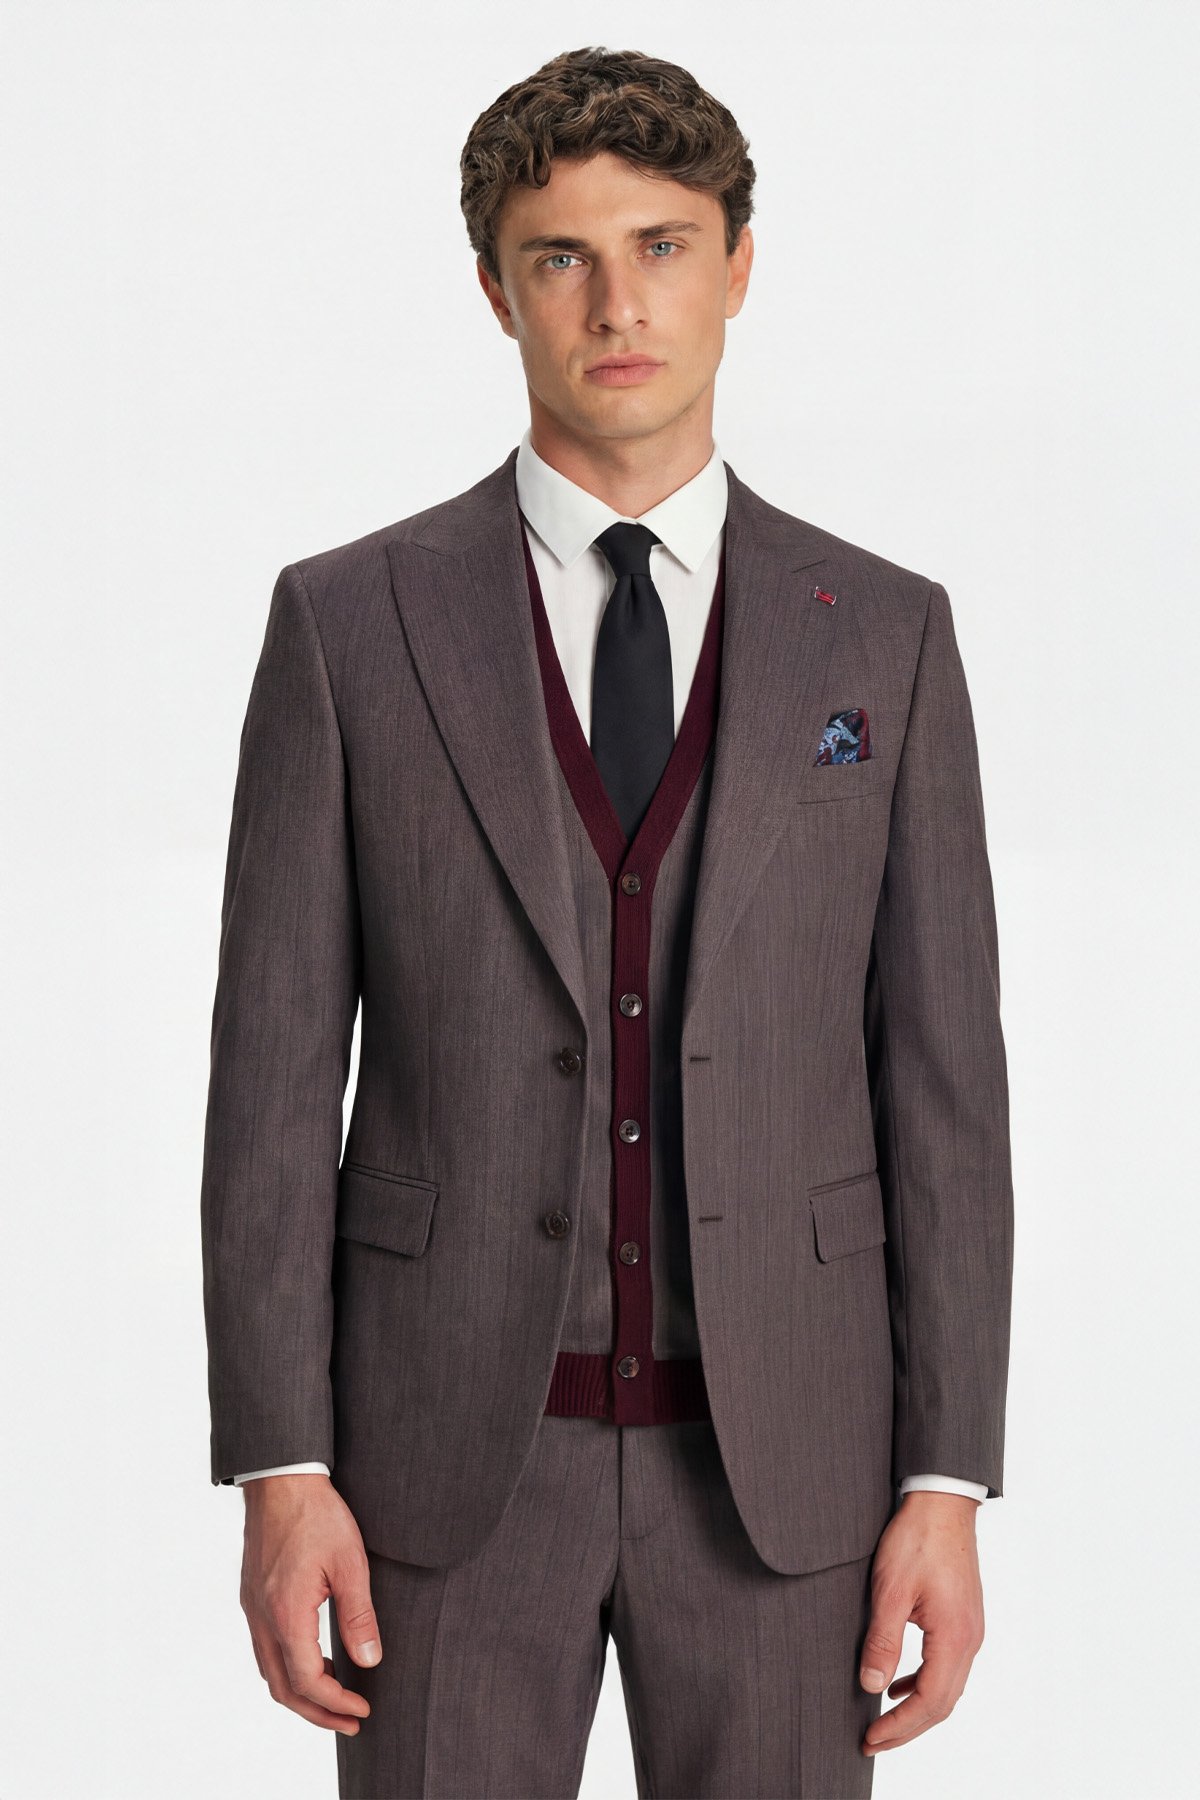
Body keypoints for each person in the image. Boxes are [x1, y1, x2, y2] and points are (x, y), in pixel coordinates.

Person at [200, 43, 1014, 1800]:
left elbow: (945, 1084)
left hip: (789, 1484)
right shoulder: (349, 625)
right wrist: (281, 1464)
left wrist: (946, 1481)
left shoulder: (885, 636)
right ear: (496, 289)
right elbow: (270, 1080)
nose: (617, 304)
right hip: (434, 1480)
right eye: (560, 256)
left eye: (662, 246)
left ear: (739, 266)